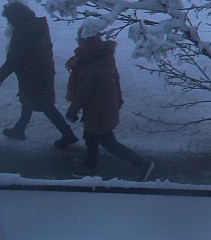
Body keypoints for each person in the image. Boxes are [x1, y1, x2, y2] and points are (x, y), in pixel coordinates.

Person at [64, 31, 154, 181]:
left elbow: (83, 94)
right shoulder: (104, 55)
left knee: (108, 142)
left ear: (86, 42)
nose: (77, 41)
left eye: (79, 39)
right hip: (106, 104)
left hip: (98, 110)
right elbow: (116, 78)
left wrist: (72, 111)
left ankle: (142, 164)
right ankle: (90, 166)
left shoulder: (88, 65)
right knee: (90, 136)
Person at [0, 1, 78, 149]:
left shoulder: (22, 34)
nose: (9, 22)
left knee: (45, 106)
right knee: (28, 100)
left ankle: (68, 134)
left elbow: (12, 61)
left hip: (33, 75)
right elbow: (48, 47)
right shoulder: (37, 25)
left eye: (9, 19)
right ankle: (19, 129)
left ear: (16, 18)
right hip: (42, 71)